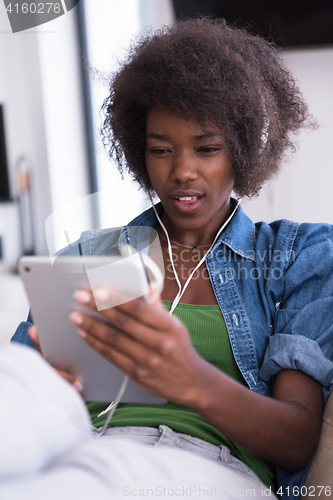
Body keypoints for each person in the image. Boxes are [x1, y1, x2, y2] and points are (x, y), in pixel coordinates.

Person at [11, 17, 333, 500]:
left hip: (198, 464)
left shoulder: (296, 255)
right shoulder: (90, 254)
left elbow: (297, 438)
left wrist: (190, 379)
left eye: (207, 149)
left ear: (243, 151)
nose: (182, 171)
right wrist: (48, 383)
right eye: (161, 150)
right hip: (77, 446)